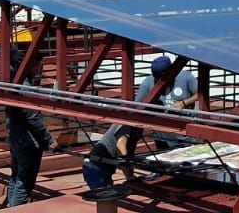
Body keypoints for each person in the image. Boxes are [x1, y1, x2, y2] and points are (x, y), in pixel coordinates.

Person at [82, 56, 201, 191]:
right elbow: (121, 143)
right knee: (104, 198)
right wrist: (127, 160)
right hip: (97, 166)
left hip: (103, 164)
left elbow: (127, 148)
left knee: (107, 196)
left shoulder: (186, 78)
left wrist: (130, 176)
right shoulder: (132, 122)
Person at [4, 81, 56, 207]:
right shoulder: (24, 86)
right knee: (24, 182)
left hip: (15, 139)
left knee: (16, 177)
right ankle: (15, 210)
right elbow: (32, 117)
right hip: (28, 143)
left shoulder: (10, 82)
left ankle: (10, 209)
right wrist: (49, 140)